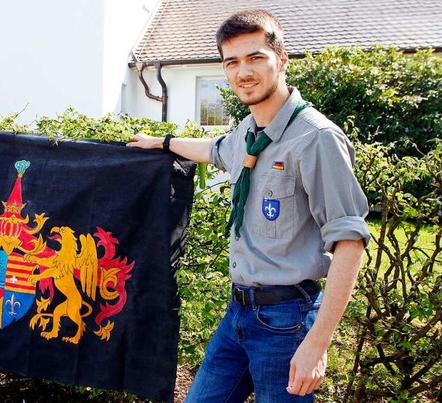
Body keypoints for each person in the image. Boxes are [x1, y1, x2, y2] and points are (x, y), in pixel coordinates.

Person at [127, 9, 370, 402]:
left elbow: (350, 242)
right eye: (232, 62)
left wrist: (317, 344)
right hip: (238, 314)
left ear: (282, 60)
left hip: (287, 323)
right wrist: (164, 142)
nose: (243, 72)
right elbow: (215, 150)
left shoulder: (316, 139)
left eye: (256, 57)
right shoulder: (249, 131)